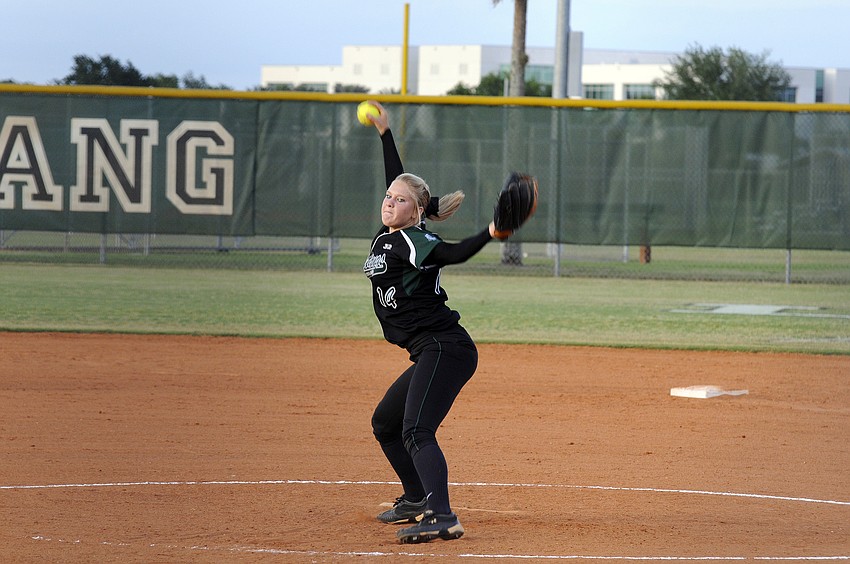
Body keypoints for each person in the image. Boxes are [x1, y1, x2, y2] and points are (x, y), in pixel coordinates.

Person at [361, 101, 505, 544]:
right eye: (388, 196)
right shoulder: (391, 233)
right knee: (386, 424)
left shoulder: (415, 240)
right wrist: (386, 133)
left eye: (399, 200)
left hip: (445, 347)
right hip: (427, 349)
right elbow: (399, 180)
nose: (389, 201)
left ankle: (443, 515)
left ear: (416, 211)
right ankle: (418, 497)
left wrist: (491, 233)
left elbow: (456, 253)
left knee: (416, 430)